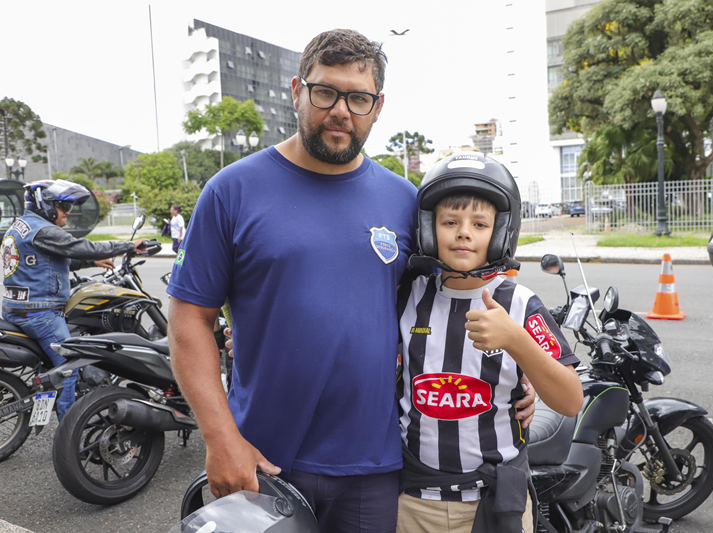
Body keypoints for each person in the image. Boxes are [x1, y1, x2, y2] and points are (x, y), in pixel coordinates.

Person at [166, 29, 417, 533]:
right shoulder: (231, 191)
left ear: (378, 106)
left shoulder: (404, 200)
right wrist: (220, 438)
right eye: (325, 92)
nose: (341, 110)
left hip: (373, 465)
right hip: (261, 458)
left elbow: (447, 305)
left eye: (358, 97)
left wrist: (511, 378)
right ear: (298, 91)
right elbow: (189, 317)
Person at [395, 153, 584, 533]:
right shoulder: (406, 296)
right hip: (414, 503)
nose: (464, 232)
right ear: (429, 228)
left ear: (500, 233)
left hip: (496, 504)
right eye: (450, 222)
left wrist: (517, 341)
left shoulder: (520, 304)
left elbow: (570, 399)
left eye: (480, 224)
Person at [1, 180, 146, 420]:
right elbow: (81, 246)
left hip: (17, 309)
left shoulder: (21, 225)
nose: (68, 212)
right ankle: (70, 429)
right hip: (41, 314)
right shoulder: (44, 230)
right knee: (70, 367)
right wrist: (128, 245)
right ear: (44, 205)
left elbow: (47, 261)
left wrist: (91, 262)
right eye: (62, 207)